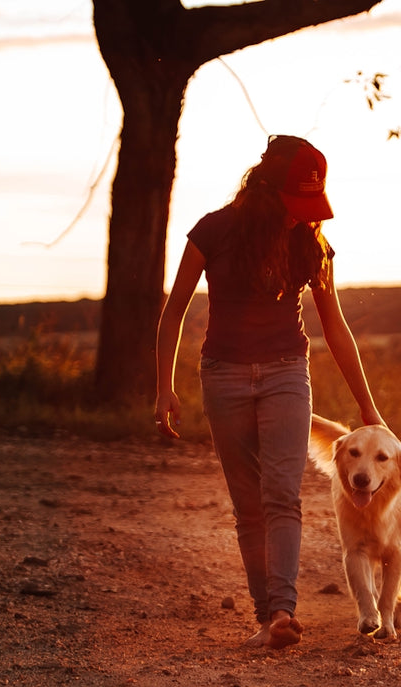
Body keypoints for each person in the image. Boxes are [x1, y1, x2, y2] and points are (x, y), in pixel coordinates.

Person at [154, 134, 385, 650]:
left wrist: (367, 406)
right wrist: (164, 387)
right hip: (224, 376)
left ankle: (281, 612)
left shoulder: (311, 243)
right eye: (296, 203)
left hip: (285, 374)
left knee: (282, 495)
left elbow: (336, 328)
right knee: (249, 505)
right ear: (267, 190)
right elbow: (173, 312)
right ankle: (266, 617)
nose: (304, 215)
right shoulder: (214, 231)